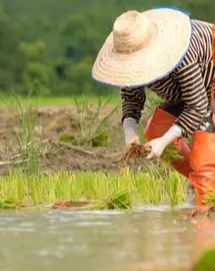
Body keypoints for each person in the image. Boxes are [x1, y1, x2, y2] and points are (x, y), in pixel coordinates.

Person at [92, 7, 215, 206]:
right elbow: (131, 101)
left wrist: (164, 141)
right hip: (192, 94)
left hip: (209, 86)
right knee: (156, 128)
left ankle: (207, 200)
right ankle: (202, 181)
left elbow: (198, 107)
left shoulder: (182, 52)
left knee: (204, 156)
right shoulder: (130, 66)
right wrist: (130, 135)